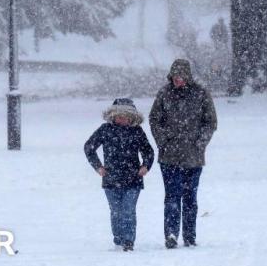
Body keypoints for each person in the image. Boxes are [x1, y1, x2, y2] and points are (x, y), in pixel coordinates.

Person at [149, 59, 217, 248]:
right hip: (169, 156)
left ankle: (189, 235)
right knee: (171, 197)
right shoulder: (164, 94)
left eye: (181, 76)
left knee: (190, 198)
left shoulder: (201, 93)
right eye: (175, 76)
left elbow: (210, 122)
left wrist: (200, 143)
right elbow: (154, 119)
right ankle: (171, 234)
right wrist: (163, 141)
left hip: (193, 158)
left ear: (187, 76)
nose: (177, 80)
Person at [84, 98, 155, 252]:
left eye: (125, 116)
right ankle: (118, 239)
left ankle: (129, 241)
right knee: (116, 211)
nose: (122, 119)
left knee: (128, 210)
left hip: (133, 179)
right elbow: (89, 147)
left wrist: (145, 166)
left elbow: (148, 151)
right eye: (119, 116)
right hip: (111, 179)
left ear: (132, 117)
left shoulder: (137, 132)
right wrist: (98, 166)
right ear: (113, 116)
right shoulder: (105, 130)